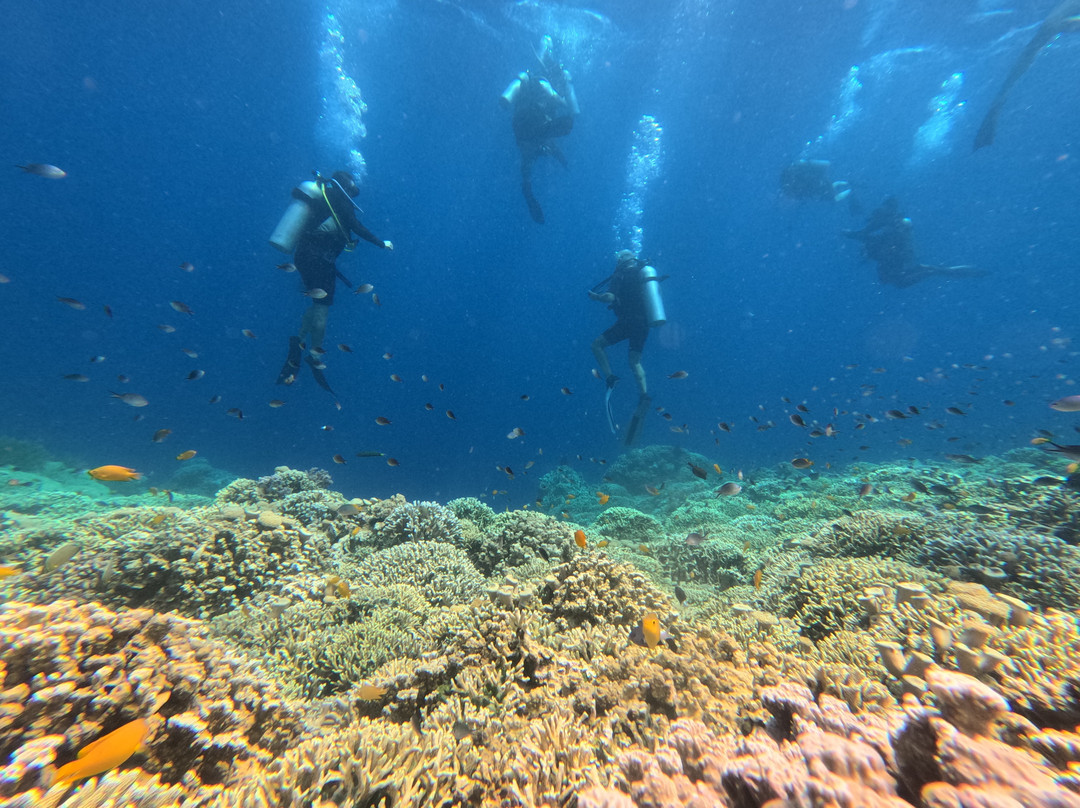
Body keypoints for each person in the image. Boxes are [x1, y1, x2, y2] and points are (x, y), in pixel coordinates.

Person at [273, 170, 393, 397]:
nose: (352, 194)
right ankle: (314, 356)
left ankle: (297, 345)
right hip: (320, 261)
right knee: (322, 310)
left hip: (306, 257)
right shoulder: (339, 200)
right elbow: (356, 227)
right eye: (352, 189)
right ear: (346, 186)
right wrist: (381, 243)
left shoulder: (325, 197)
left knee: (317, 306)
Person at [589, 249, 665, 445]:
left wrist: (596, 297)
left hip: (627, 322)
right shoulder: (642, 273)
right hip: (644, 323)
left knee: (597, 345)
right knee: (635, 361)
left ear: (621, 261)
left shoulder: (621, 274)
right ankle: (644, 395)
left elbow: (610, 298)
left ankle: (610, 378)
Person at [501, 35, 579, 224]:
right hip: (535, 130)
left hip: (521, 131)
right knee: (561, 128)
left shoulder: (527, 82)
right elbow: (572, 110)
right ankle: (550, 156)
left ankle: (527, 188)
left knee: (529, 159)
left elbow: (506, 102)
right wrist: (567, 89)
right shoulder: (545, 86)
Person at [844, 197, 985, 289]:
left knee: (905, 279)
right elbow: (868, 236)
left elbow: (868, 236)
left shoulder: (889, 225)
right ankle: (944, 270)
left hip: (895, 255)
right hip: (896, 255)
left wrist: (851, 234)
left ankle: (938, 270)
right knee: (927, 272)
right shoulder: (891, 224)